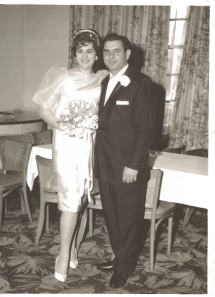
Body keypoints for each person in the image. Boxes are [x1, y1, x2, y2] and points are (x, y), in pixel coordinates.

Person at [32, 29, 108, 283]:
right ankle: (63, 254)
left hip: (90, 145)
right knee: (70, 199)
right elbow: (44, 109)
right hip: (66, 143)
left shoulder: (103, 79)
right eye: (79, 51)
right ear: (74, 53)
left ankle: (73, 245)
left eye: (89, 51)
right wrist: (63, 125)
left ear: (97, 54)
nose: (84, 56)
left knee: (82, 197)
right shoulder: (63, 76)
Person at [94, 33, 157, 288]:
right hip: (105, 162)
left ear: (127, 54)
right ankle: (119, 255)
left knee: (129, 219)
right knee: (112, 217)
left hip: (128, 166)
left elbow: (146, 130)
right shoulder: (103, 83)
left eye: (116, 51)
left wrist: (134, 164)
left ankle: (125, 266)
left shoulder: (142, 84)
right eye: (106, 52)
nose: (111, 56)